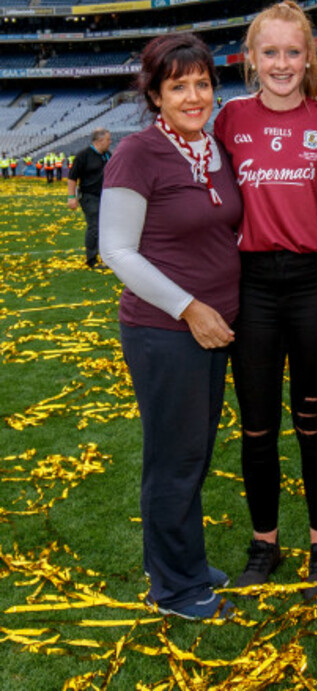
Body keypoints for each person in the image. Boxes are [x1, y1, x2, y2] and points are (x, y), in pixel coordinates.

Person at [98, 32, 242, 620]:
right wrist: (189, 306)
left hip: (213, 329)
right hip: (167, 330)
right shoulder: (137, 152)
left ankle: (182, 558)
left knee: (195, 452)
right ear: (155, 95)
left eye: (202, 83)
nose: (193, 96)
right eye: (177, 86)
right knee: (174, 457)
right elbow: (117, 250)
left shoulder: (212, 148)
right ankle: (176, 588)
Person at [213, 0, 317, 600]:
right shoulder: (229, 118)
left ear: (310, 56)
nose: (283, 63)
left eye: (294, 51)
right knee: (258, 428)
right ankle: (264, 542)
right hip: (253, 284)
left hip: (315, 283)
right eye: (271, 52)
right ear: (251, 59)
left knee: (314, 424)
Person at [67, 128, 111, 269]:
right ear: (99, 141)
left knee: (105, 227)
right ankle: (91, 259)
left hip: (105, 196)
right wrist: (71, 197)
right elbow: (72, 177)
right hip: (89, 196)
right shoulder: (83, 155)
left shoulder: (107, 155)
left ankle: (105, 256)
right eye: (108, 140)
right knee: (94, 226)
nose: (110, 143)